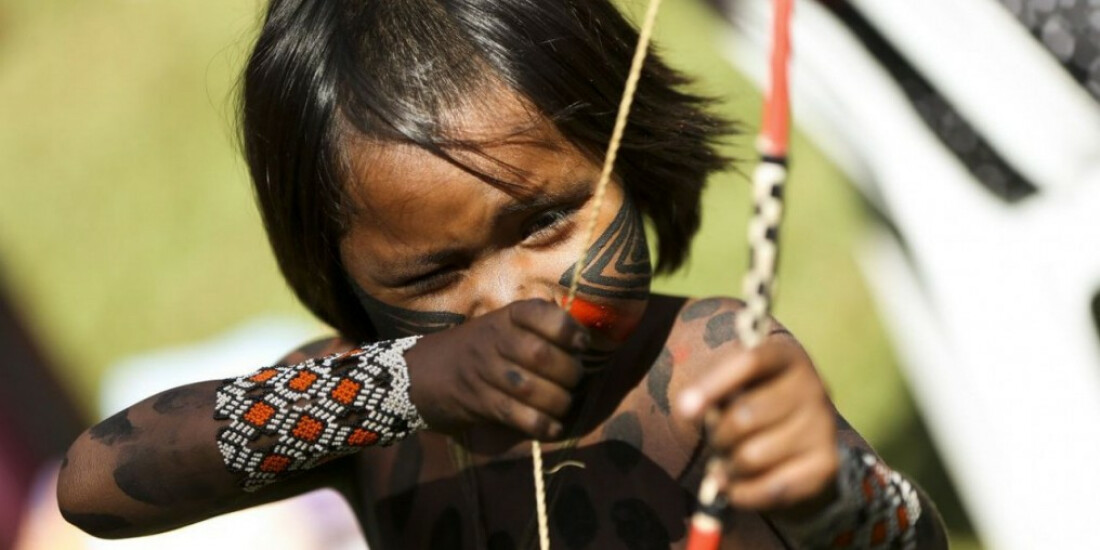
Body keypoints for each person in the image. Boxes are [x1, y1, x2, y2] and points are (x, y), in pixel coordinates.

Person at [56, 0, 948, 547]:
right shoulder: (370, 407)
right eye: (432, 273)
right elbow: (96, 482)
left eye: (547, 221)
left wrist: (833, 492)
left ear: (630, 157)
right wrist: (406, 387)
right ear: (342, 274)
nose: (511, 299)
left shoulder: (709, 366)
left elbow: (907, 543)